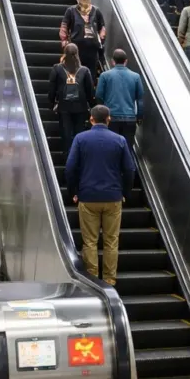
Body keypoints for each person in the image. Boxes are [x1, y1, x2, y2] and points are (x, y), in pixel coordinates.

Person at [65, 105, 135, 286]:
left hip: (88, 197)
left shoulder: (80, 139)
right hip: (113, 197)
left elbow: (70, 167)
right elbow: (129, 169)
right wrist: (125, 193)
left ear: (91, 119)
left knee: (90, 241)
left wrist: (73, 192)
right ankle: (110, 280)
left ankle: (93, 280)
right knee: (111, 241)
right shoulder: (119, 140)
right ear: (109, 119)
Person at [49, 43, 96, 157]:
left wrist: (52, 104)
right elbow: (90, 92)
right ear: (77, 54)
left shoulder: (57, 68)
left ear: (64, 54)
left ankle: (67, 155)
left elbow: (52, 89)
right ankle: (78, 156)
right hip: (81, 108)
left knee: (66, 133)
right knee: (79, 132)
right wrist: (92, 107)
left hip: (64, 107)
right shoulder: (84, 70)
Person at [96, 48, 144, 150]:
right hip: (130, 118)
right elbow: (140, 100)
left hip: (111, 118)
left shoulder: (104, 76)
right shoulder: (136, 77)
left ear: (113, 61)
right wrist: (139, 117)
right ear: (126, 61)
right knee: (127, 148)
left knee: (110, 148)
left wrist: (102, 115)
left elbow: (99, 96)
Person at [59, 0, 107, 82]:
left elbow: (102, 28)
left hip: (92, 49)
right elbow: (64, 27)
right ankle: (75, 92)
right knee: (75, 72)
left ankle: (89, 94)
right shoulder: (71, 11)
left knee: (90, 74)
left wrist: (101, 41)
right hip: (76, 48)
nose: (85, 0)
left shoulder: (96, 11)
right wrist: (64, 42)